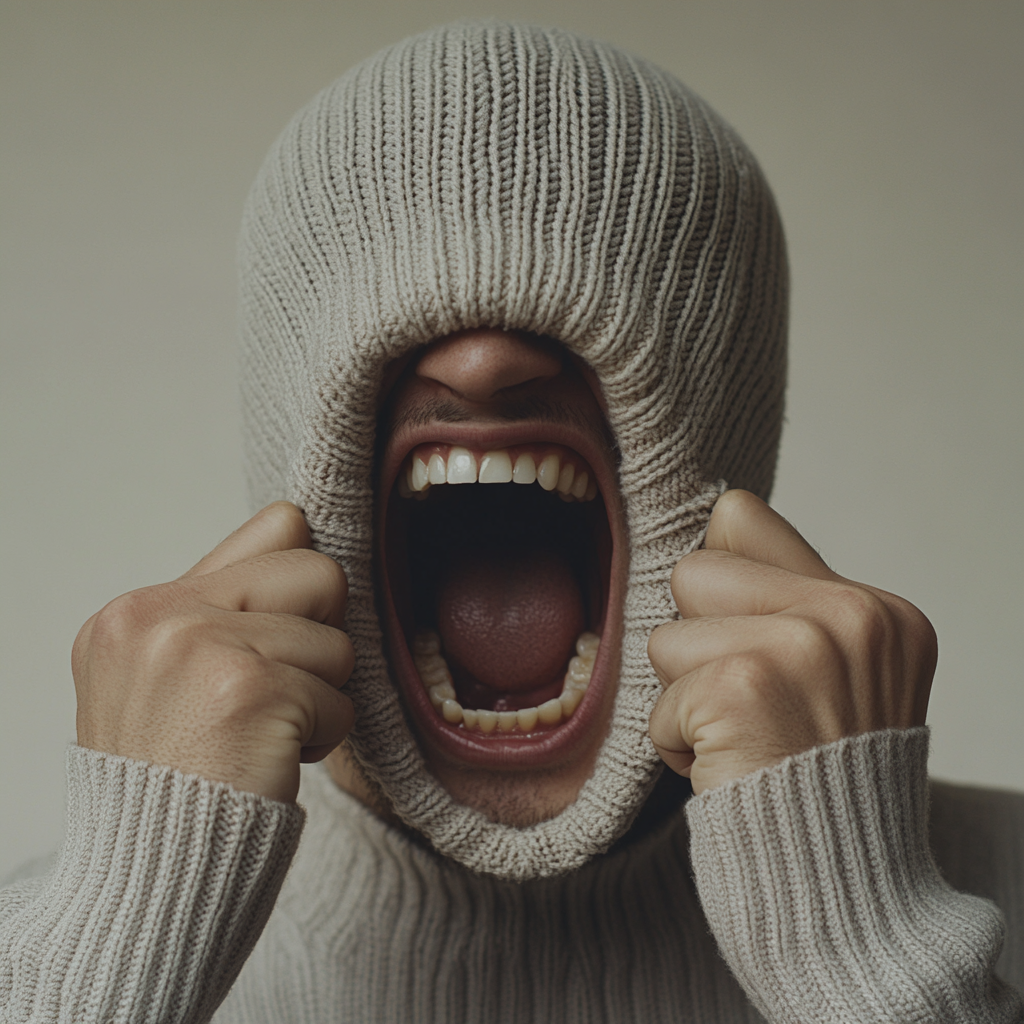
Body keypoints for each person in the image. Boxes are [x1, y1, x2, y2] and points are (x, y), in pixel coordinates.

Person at [1, 21, 1021, 1023]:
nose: (482, 364)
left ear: (728, 415)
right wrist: (110, 945)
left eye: (584, 304)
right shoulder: (37, 952)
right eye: (393, 309)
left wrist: (871, 954)